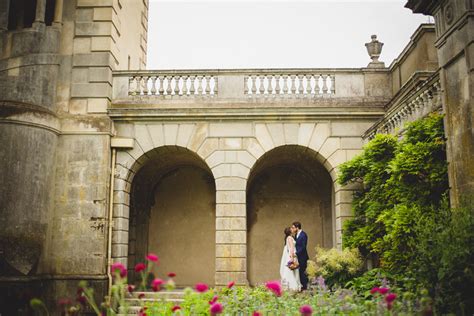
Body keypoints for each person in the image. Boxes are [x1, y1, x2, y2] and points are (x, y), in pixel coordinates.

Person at [279, 227, 302, 291]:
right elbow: (291, 248)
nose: (293, 229)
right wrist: (292, 258)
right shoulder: (290, 238)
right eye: (291, 229)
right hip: (292, 256)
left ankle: (288, 286)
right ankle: (292, 287)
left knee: (292, 270)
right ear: (289, 231)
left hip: (291, 255)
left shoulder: (288, 238)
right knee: (291, 271)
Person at [292, 221, 309, 290]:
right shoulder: (296, 235)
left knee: (303, 272)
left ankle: (305, 287)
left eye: (293, 227)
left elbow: (303, 247)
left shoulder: (303, 235)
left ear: (297, 227)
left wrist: (296, 253)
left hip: (302, 257)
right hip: (298, 257)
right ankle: (301, 286)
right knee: (298, 272)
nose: (292, 229)